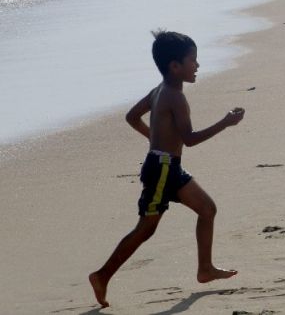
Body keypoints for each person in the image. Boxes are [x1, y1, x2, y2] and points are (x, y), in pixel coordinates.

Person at [88, 31, 244, 308]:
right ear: (175, 66)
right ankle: (101, 275)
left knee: (207, 209)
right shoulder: (175, 97)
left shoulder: (158, 91)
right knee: (146, 229)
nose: (197, 65)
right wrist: (225, 123)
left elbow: (131, 117)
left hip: (167, 166)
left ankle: (205, 269)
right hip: (162, 171)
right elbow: (190, 139)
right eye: (193, 60)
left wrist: (155, 140)